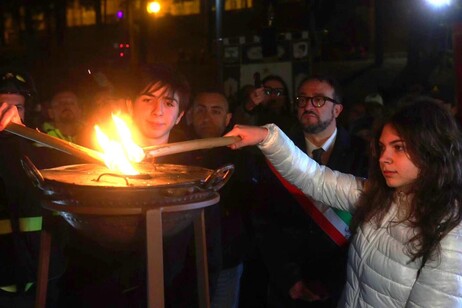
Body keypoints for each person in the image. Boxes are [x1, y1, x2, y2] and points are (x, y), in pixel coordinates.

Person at [225, 96, 462, 307]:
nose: (383, 158)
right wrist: (267, 137)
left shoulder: (449, 229)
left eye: (398, 147)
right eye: (381, 147)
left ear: (432, 149)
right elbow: (315, 178)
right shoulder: (377, 196)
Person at [251, 75, 368, 307]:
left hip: (344, 285)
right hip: (287, 287)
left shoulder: (363, 153)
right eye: (302, 99)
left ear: (337, 110)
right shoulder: (276, 150)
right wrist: (289, 277)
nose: (307, 106)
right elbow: (263, 218)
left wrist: (336, 281)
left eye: (319, 100)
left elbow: (366, 224)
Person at [0, 70, 67, 307]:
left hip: (45, 275)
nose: (10, 114)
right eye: (2, 106)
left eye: (17, 107)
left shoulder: (41, 147)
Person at [187, 89, 253, 308]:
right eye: (201, 110)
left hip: (227, 256)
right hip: (183, 258)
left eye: (216, 111)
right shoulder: (175, 154)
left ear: (227, 118)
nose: (207, 117)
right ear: (189, 114)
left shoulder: (242, 156)